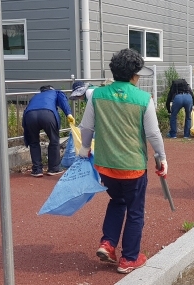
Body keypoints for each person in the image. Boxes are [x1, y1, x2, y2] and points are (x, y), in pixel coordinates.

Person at [78, 48, 168, 274]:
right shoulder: (143, 98)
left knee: (116, 201)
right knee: (135, 211)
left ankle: (108, 243)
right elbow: (153, 134)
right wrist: (162, 158)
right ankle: (129, 258)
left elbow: (86, 127)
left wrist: (84, 149)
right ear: (135, 74)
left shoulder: (97, 95)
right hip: (133, 167)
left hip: (105, 167)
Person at [22, 85, 74, 177]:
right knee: (54, 140)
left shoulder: (36, 96)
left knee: (33, 142)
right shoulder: (56, 92)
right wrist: (68, 114)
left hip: (29, 115)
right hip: (47, 114)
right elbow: (63, 102)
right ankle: (54, 168)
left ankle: (37, 170)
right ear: (52, 89)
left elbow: (27, 108)